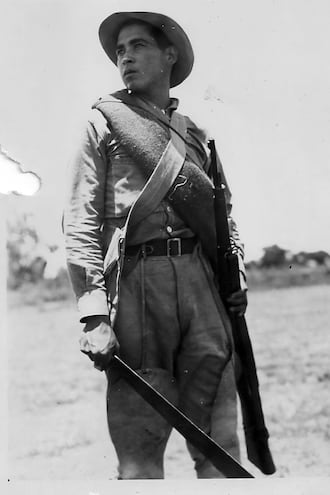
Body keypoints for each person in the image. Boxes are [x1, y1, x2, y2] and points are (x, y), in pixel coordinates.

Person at [63, 11, 248, 480]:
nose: (125, 56)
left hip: (202, 287)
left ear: (170, 56)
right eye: (120, 50)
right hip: (137, 286)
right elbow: (81, 221)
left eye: (138, 45)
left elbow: (223, 219)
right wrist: (94, 314)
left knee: (222, 450)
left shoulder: (196, 135)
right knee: (139, 456)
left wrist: (236, 276)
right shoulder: (102, 122)